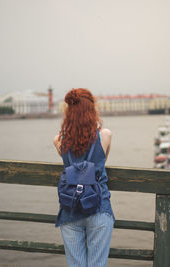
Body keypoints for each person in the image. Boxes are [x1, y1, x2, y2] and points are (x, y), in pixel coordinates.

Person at [53, 88, 115, 267]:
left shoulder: (59, 140)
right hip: (98, 207)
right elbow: (99, 164)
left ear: (69, 113)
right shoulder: (105, 136)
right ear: (92, 110)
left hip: (70, 209)